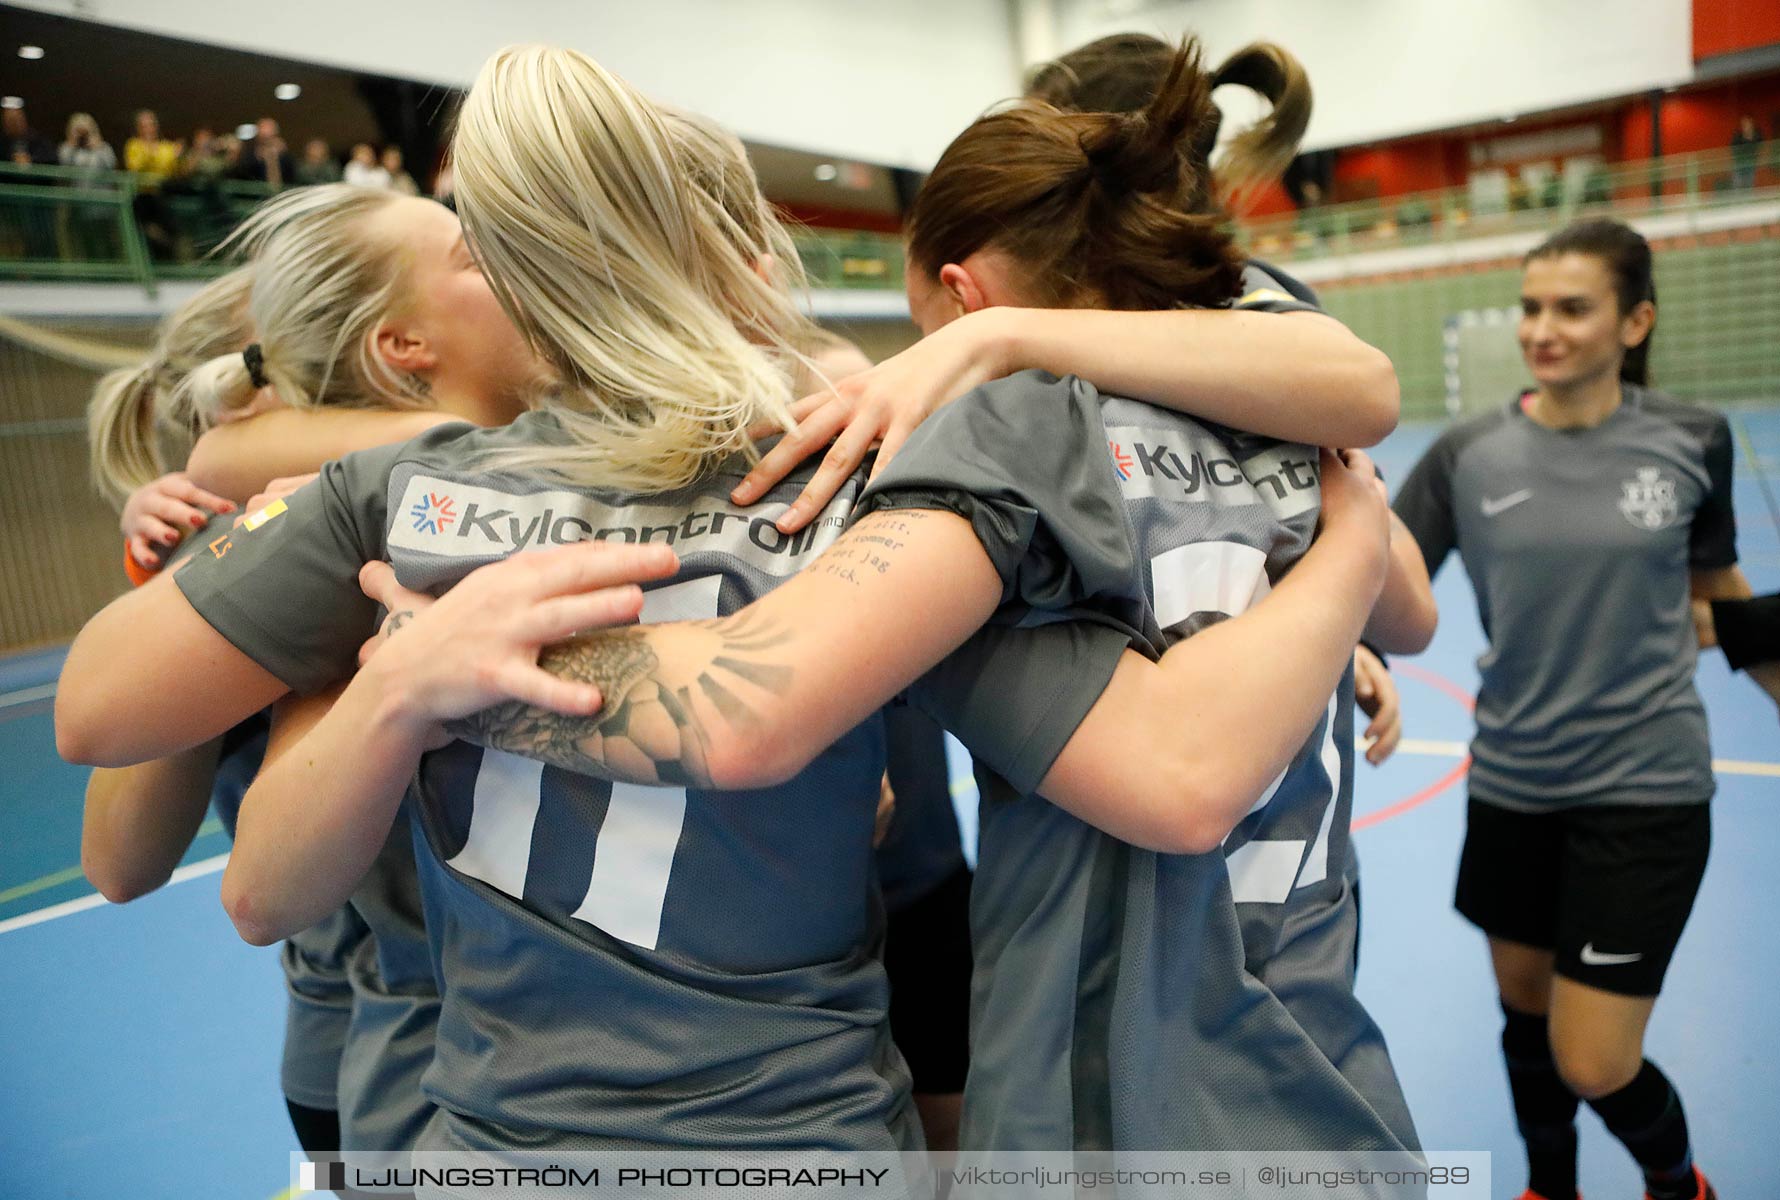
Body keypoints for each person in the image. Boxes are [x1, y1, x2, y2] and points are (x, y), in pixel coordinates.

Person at [57, 41, 1410, 1170]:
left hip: (573, 1130)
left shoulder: (409, 504)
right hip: (787, 1122)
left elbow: (118, 734)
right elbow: (1346, 425)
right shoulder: (860, 462)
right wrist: (1326, 576)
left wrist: (421, 666)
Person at [79, 182, 545, 1172]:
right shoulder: (282, 531)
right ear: (395, 345)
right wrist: (224, 566)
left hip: (521, 1051)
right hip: (407, 1063)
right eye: (468, 254)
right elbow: (122, 860)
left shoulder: (493, 479)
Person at [1393, 218, 1780, 1200]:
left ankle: (1675, 1183)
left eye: (1572, 308)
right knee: (1523, 1016)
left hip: (1643, 793)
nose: (1542, 328)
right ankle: (1548, 1186)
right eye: (1530, 307)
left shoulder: (1690, 439)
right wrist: (1353, 648)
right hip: (1514, 784)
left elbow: (1721, 591)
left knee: (1593, 1058)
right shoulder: (1467, 455)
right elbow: (1383, 583)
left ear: (1633, 319)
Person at [58, 113, 119, 260]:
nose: (83, 135)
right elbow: (63, 171)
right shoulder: (67, 148)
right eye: (79, 131)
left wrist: (97, 147)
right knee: (85, 246)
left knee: (108, 244)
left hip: (104, 207)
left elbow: (112, 167)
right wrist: (73, 145)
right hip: (79, 208)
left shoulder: (103, 148)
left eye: (86, 131)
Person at [123, 109, 182, 258]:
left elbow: (171, 169)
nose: (149, 128)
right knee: (146, 227)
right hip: (143, 196)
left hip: (163, 195)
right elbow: (134, 167)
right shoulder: (133, 145)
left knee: (171, 227)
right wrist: (150, 152)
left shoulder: (166, 146)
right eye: (144, 125)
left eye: (151, 124)